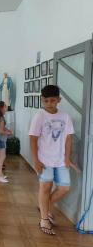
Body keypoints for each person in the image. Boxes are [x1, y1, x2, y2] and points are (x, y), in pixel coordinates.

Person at [29, 85, 75, 235]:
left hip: (61, 160)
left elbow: (68, 138)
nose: (49, 103)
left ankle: (45, 207)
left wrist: (67, 157)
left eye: (53, 100)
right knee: (45, 188)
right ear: (42, 100)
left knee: (64, 188)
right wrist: (35, 160)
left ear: (59, 100)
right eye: (46, 101)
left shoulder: (65, 116)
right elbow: (33, 139)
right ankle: (44, 219)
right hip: (44, 160)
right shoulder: (40, 116)